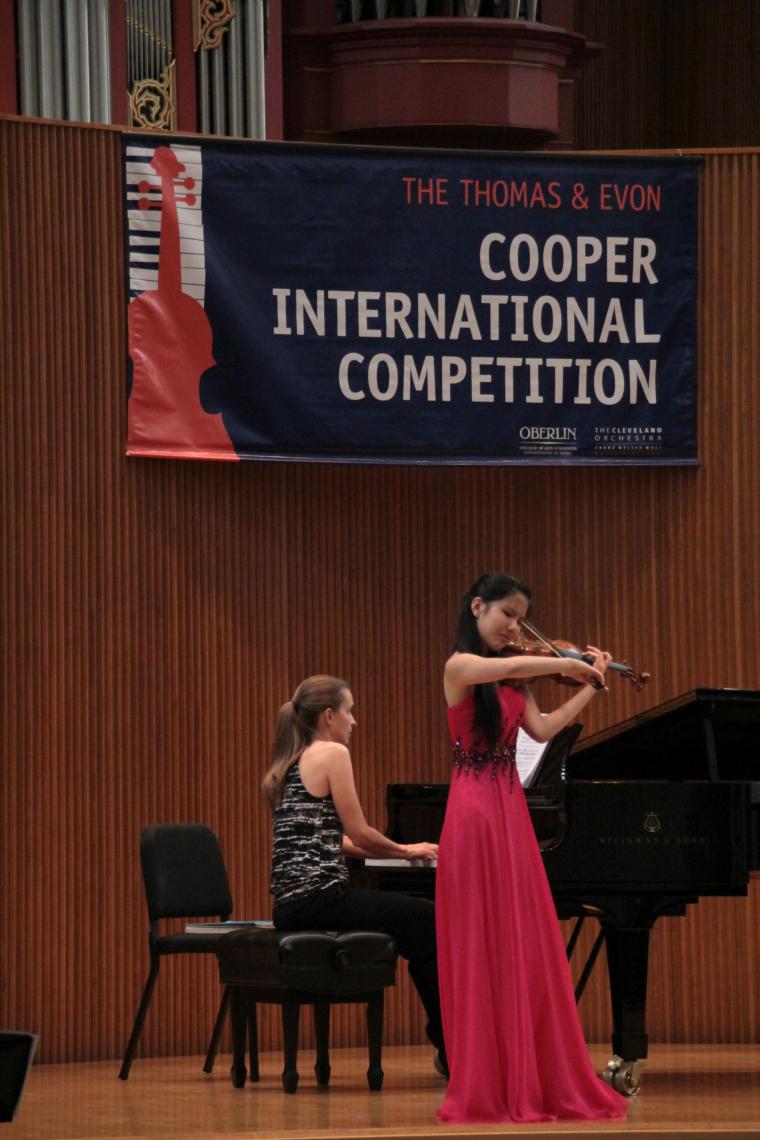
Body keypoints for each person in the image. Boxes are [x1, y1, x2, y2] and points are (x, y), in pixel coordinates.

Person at [435, 572, 627, 1123]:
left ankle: (531, 1075)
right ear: (477, 607)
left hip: (510, 812)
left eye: (521, 617)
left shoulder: (518, 678)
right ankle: (487, 1081)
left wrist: (590, 682)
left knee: (521, 936)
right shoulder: (460, 666)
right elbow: (516, 665)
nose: (515, 627)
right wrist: (564, 662)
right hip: (472, 814)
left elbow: (542, 732)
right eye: (507, 614)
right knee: (480, 938)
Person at [262, 674, 447, 1074]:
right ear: (329, 715)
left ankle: (448, 1040)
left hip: (290, 906)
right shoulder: (332, 753)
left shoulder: (290, 760)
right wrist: (405, 850)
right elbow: (359, 831)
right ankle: (452, 1045)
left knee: (412, 923)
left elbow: (327, 839)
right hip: (321, 899)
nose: (354, 721)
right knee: (425, 918)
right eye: (350, 711)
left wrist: (392, 852)